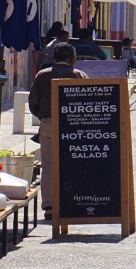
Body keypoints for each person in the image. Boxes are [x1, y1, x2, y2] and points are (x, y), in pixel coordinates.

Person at [30, 41, 86, 211]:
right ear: (73, 59)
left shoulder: (42, 75)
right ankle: (73, 202)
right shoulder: (80, 76)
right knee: (73, 164)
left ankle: (49, 205)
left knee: (48, 166)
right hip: (74, 127)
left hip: (49, 123)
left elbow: (33, 103)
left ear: (53, 58)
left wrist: (44, 117)